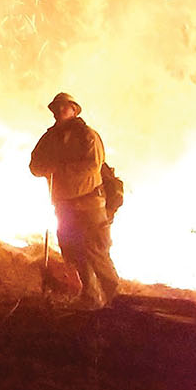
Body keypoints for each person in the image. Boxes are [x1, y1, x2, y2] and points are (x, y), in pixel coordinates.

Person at [29, 92, 121, 307]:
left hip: (90, 203)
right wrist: (44, 168)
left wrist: (60, 169)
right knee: (73, 250)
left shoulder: (87, 135)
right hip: (64, 205)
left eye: (64, 107)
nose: (60, 111)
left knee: (96, 250)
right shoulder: (49, 138)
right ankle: (90, 295)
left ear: (74, 109)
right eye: (57, 108)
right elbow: (34, 166)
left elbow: (92, 165)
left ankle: (115, 299)